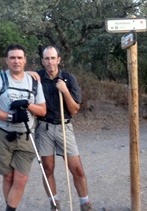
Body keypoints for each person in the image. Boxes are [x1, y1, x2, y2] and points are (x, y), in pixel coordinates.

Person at [0, 44, 46, 211]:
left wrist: (27, 106)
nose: (16, 61)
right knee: (8, 176)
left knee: (21, 178)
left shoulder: (33, 81)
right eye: (12, 57)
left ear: (25, 60)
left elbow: (42, 110)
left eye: (19, 57)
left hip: (26, 136)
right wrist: (11, 117)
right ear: (7, 60)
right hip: (2, 135)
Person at [34, 45, 93, 211]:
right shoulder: (37, 77)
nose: (50, 62)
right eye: (46, 58)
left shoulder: (68, 78)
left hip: (64, 127)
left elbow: (74, 110)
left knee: (77, 169)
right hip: (43, 128)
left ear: (58, 60)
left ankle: (85, 204)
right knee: (48, 169)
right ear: (42, 61)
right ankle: (55, 204)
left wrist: (65, 91)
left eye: (53, 58)